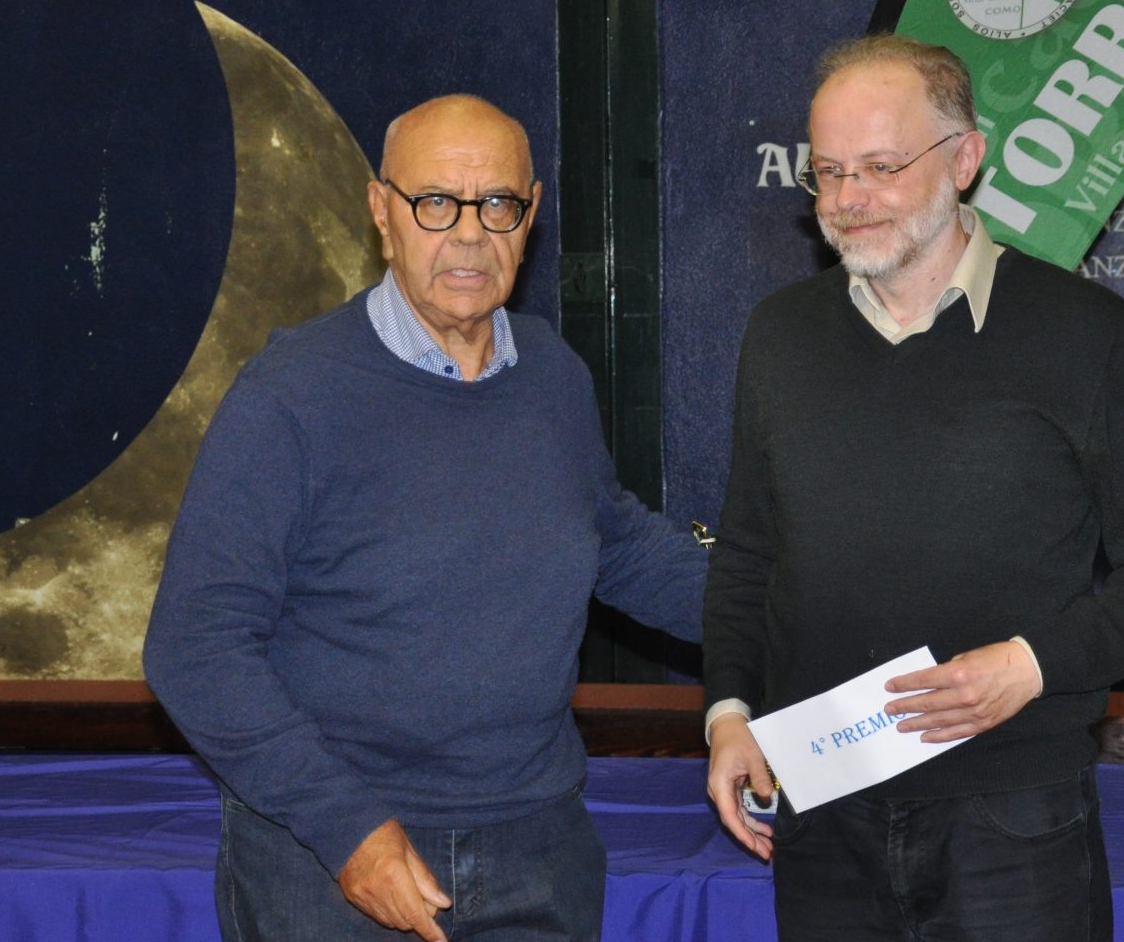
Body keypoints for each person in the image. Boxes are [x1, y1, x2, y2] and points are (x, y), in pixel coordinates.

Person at [144, 93, 707, 942]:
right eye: (436, 202)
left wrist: (793, 605)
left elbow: (615, 541)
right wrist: (346, 830)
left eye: (497, 204)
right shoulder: (290, 396)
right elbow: (192, 646)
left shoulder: (551, 374)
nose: (470, 233)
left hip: (538, 850)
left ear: (533, 211)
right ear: (382, 211)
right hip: (333, 864)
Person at [702, 35, 1124, 942]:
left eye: (878, 166)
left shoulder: (1080, 332)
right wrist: (728, 712)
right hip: (820, 810)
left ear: (966, 158)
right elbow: (748, 554)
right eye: (826, 172)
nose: (846, 199)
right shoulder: (778, 335)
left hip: (1012, 818)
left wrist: (1030, 664)